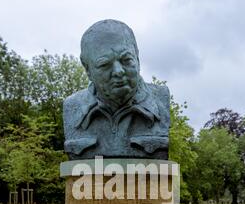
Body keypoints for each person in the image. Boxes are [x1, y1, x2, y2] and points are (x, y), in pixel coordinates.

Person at [63, 19, 170, 159]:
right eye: (104, 64)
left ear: (137, 58)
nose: (118, 71)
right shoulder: (73, 108)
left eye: (126, 60)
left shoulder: (161, 100)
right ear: (88, 69)